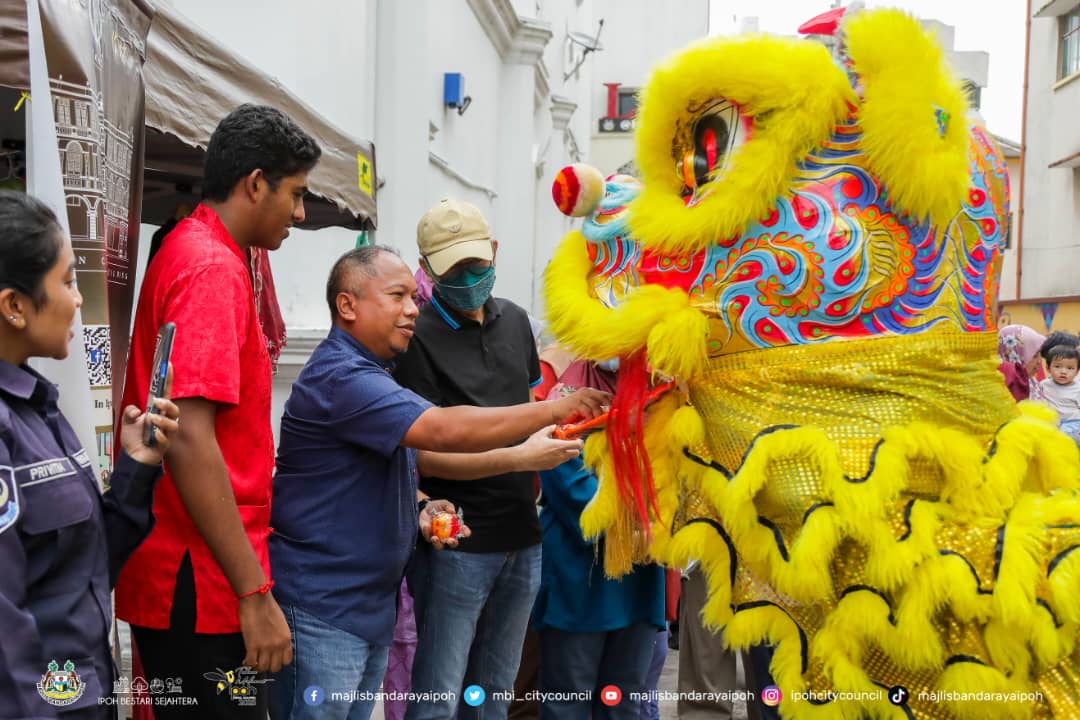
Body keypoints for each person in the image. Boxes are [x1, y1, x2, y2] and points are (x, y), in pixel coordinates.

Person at [268, 246, 606, 719]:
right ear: (348, 306)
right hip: (325, 610)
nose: (412, 308)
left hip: (362, 608)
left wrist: (423, 504)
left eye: (412, 296)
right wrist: (552, 409)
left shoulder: (376, 375)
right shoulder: (342, 377)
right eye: (397, 296)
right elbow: (443, 430)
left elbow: (403, 463)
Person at [115, 104, 321, 717]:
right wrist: (253, 595)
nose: (302, 214)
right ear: (255, 184)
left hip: (201, 568)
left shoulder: (205, 251)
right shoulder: (211, 266)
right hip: (200, 577)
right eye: (297, 194)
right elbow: (187, 439)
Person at [0, 191, 180, 716]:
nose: (79, 300)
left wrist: (136, 470)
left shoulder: (40, 407)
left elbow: (86, 565)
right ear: (14, 305)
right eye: (68, 281)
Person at [396, 199, 548, 720]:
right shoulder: (412, 337)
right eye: (452, 268)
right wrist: (521, 455)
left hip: (523, 538)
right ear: (427, 267)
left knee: (493, 696)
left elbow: (529, 411)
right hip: (454, 544)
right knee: (438, 695)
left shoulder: (517, 322)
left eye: (476, 265)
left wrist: (555, 435)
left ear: (495, 253)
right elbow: (424, 459)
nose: (466, 278)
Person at [532, 361, 667, 720]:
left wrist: (667, 521)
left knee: (624, 699)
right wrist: (645, 527)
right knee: (568, 699)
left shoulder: (664, 396)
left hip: (641, 574)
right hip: (582, 575)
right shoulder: (568, 399)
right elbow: (572, 487)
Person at [1039, 345, 1080, 445]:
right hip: (1051, 427)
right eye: (1057, 366)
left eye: (1070, 368)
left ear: (1077, 371)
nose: (1063, 371)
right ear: (1048, 368)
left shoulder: (1078, 388)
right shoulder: (1043, 385)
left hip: (1074, 425)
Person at [996, 324, 1046, 401]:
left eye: (1040, 355)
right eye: (1034, 356)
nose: (1039, 361)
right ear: (1014, 354)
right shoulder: (1001, 387)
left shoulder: (1033, 383)